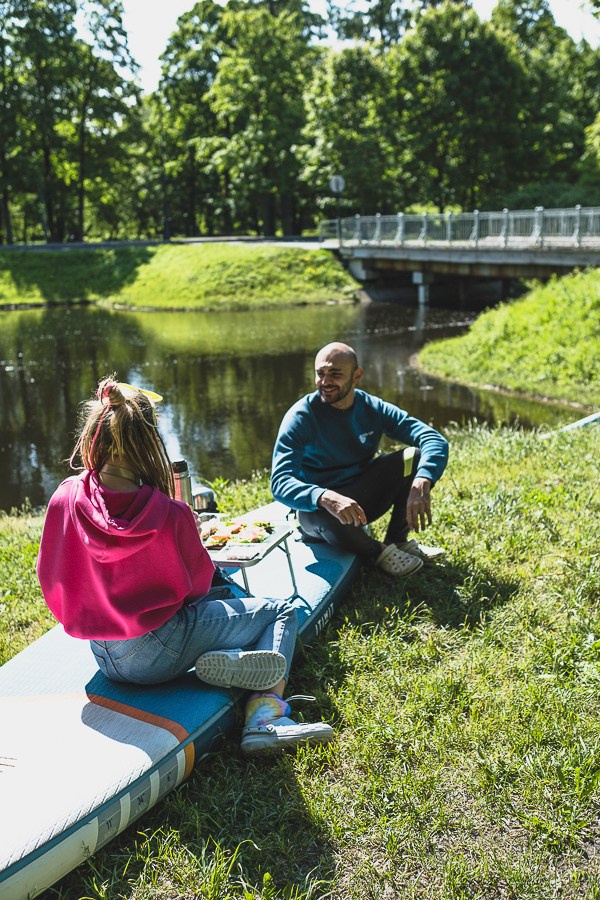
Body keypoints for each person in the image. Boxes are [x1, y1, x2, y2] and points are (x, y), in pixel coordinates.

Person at [36, 376, 333, 756]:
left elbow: (52, 576)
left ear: (96, 435)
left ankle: (231, 656)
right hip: (158, 653)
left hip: (103, 654)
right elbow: (196, 589)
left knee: (222, 599)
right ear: (148, 442)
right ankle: (264, 716)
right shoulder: (168, 513)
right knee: (279, 613)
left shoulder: (66, 496)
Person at [271, 342, 449, 576]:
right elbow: (280, 482)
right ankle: (378, 552)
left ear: (357, 376)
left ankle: (398, 542)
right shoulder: (300, 417)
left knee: (412, 459)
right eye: (320, 374)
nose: (325, 382)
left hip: (361, 501)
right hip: (319, 513)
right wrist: (324, 496)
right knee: (321, 510)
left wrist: (423, 479)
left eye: (335, 374)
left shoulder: (372, 407)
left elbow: (433, 439)